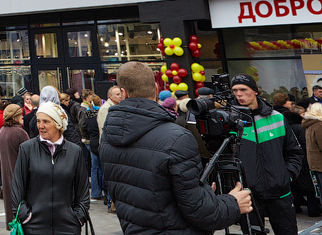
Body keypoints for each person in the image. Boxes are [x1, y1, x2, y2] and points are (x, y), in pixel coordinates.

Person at [100, 61, 251, 235]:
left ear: (124, 93)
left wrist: (202, 193)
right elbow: (199, 211)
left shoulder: (108, 137)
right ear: (156, 88)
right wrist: (233, 203)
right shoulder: (176, 138)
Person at [229, 73, 303, 235]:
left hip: (280, 193)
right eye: (235, 90)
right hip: (248, 196)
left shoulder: (277, 118)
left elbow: (294, 152)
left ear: (256, 91)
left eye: (243, 89)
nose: (239, 94)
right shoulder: (230, 121)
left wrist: (287, 175)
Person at [10, 102, 90, 235]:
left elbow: (83, 189)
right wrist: (26, 216)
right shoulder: (27, 149)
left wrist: (78, 217)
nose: (40, 126)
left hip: (68, 226)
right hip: (34, 226)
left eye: (46, 121)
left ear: (58, 124)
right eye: (38, 121)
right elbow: (17, 187)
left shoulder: (75, 151)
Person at [0, 104, 28, 228]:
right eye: (20, 114)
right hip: (19, 176)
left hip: (7, 175)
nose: (22, 116)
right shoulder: (20, 132)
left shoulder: (2, 130)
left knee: (12, 211)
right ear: (14, 118)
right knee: (22, 213)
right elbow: (30, 156)